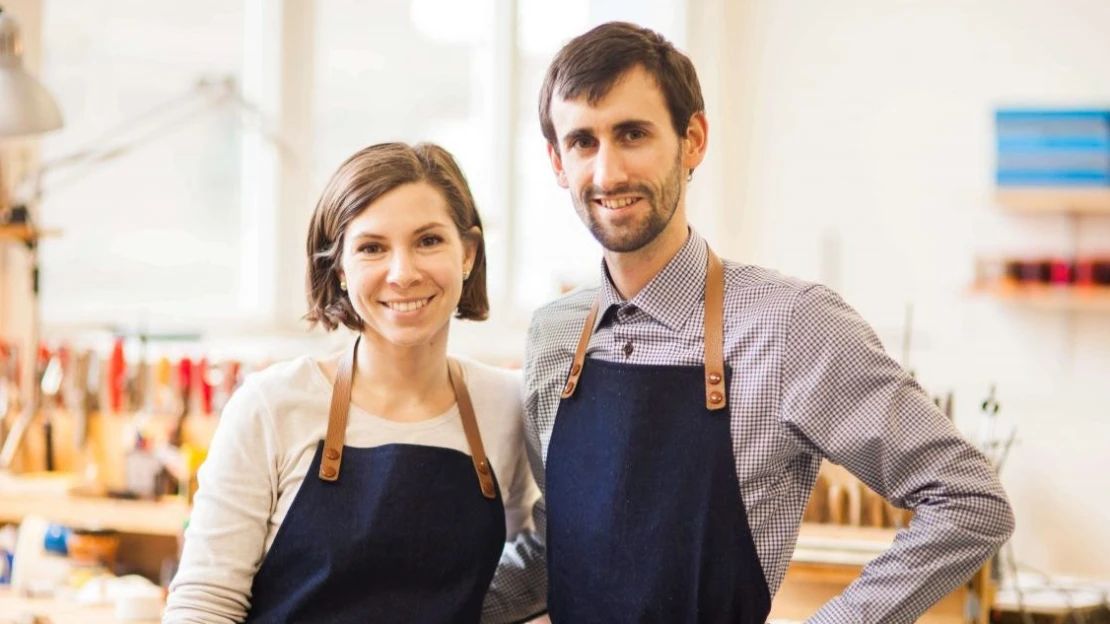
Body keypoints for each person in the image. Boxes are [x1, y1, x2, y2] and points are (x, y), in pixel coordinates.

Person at [484, 21, 1015, 623]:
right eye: (583, 142)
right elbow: (556, 557)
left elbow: (970, 501)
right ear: (557, 161)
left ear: (694, 140)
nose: (607, 173)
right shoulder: (553, 334)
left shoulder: (792, 325)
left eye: (633, 134)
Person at [165, 142, 538, 624]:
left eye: (428, 241)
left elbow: (535, 568)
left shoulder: (507, 405)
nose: (403, 273)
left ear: (467, 253)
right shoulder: (272, 406)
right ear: (340, 269)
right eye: (372, 248)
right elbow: (204, 606)